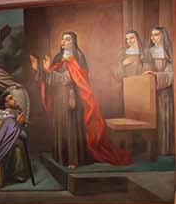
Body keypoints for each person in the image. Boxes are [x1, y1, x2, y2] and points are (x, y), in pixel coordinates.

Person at [31, 31, 131, 168]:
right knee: (61, 127)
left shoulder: (78, 57)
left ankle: (74, 159)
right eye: (63, 39)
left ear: (73, 42)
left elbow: (70, 78)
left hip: (73, 98)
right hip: (59, 98)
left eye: (68, 39)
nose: (64, 41)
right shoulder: (58, 57)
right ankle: (61, 156)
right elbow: (50, 81)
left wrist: (49, 72)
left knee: (71, 128)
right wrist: (39, 70)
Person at [145, 27, 174, 155]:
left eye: (156, 35)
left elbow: (171, 74)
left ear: (163, 36)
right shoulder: (149, 52)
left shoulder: (169, 53)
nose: (153, 38)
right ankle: (152, 149)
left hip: (164, 92)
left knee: (164, 118)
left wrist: (156, 75)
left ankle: (165, 149)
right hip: (150, 91)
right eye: (152, 35)